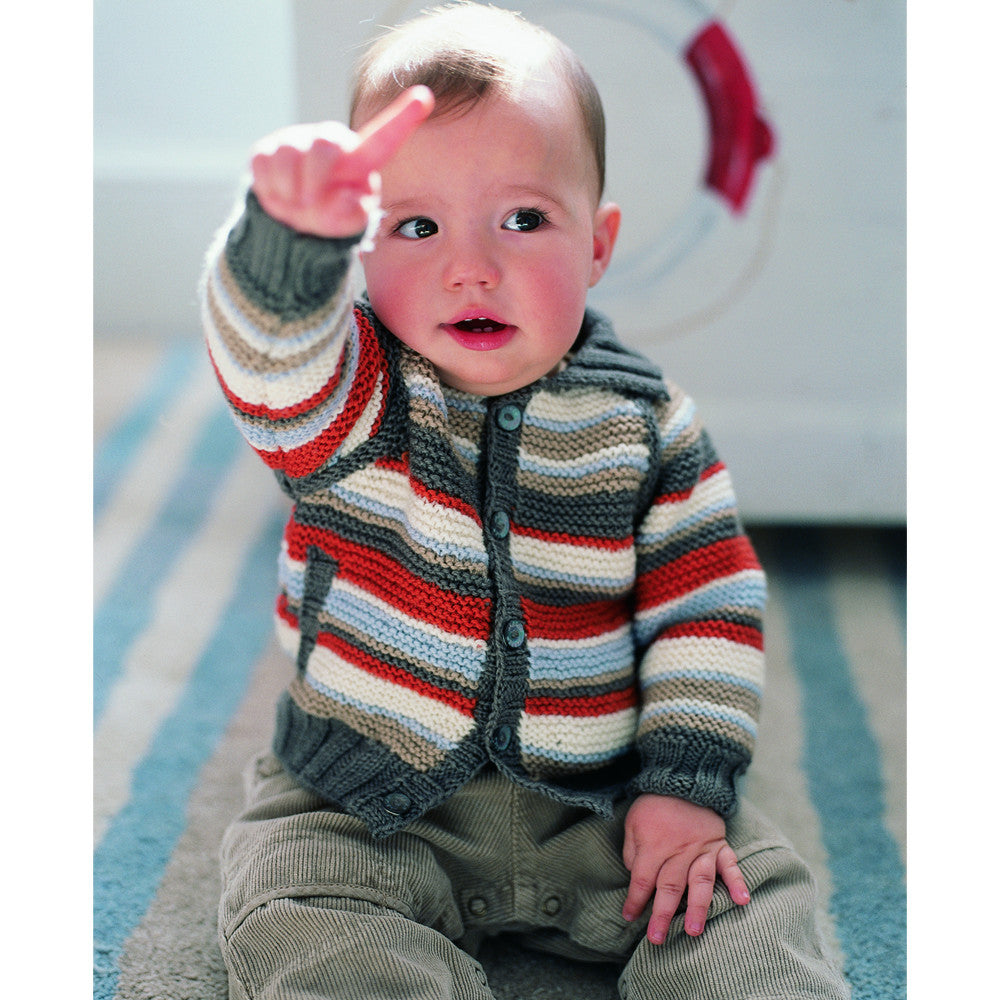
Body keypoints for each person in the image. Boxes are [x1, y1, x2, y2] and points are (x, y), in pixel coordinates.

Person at [202, 4, 848, 997]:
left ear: (597, 244)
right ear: (362, 249)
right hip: (366, 797)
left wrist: (683, 784)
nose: (471, 267)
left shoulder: (646, 425)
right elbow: (268, 360)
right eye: (416, 227)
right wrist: (287, 242)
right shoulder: (352, 396)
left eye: (523, 220)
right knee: (298, 910)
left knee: (741, 892)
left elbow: (707, 611)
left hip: (598, 801)